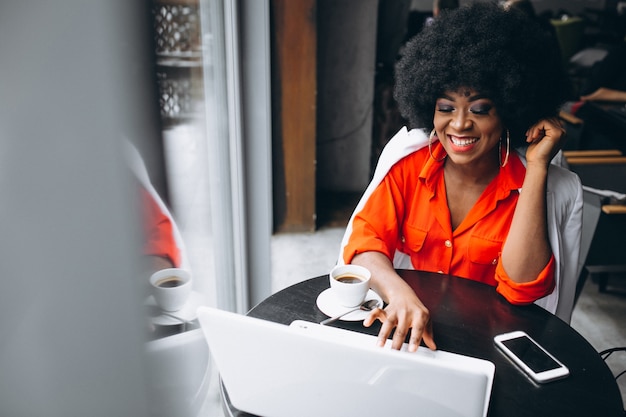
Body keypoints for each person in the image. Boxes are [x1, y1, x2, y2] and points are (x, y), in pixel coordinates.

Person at [340, 3, 582, 353]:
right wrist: (399, 294)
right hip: (412, 338)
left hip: (489, 347)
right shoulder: (410, 167)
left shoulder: (527, 185)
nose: (459, 124)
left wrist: (539, 167)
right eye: (446, 107)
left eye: (480, 109)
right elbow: (363, 246)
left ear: (510, 112)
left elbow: (521, 287)